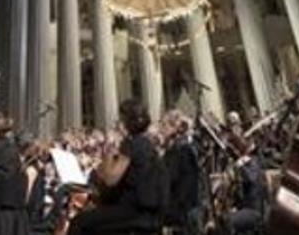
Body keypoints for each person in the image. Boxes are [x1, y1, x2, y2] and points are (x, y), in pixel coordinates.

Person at [70, 99, 167, 235]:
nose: (118, 122)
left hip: (134, 211)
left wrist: (109, 152)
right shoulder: (147, 145)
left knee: (79, 222)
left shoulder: (131, 144)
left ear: (128, 122)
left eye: (121, 118)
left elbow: (110, 179)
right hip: (148, 212)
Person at [161, 113, 201, 235]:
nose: (161, 129)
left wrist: (174, 211)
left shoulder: (183, 150)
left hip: (183, 213)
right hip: (174, 211)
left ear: (174, 128)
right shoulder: (170, 150)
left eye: (164, 125)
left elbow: (187, 184)